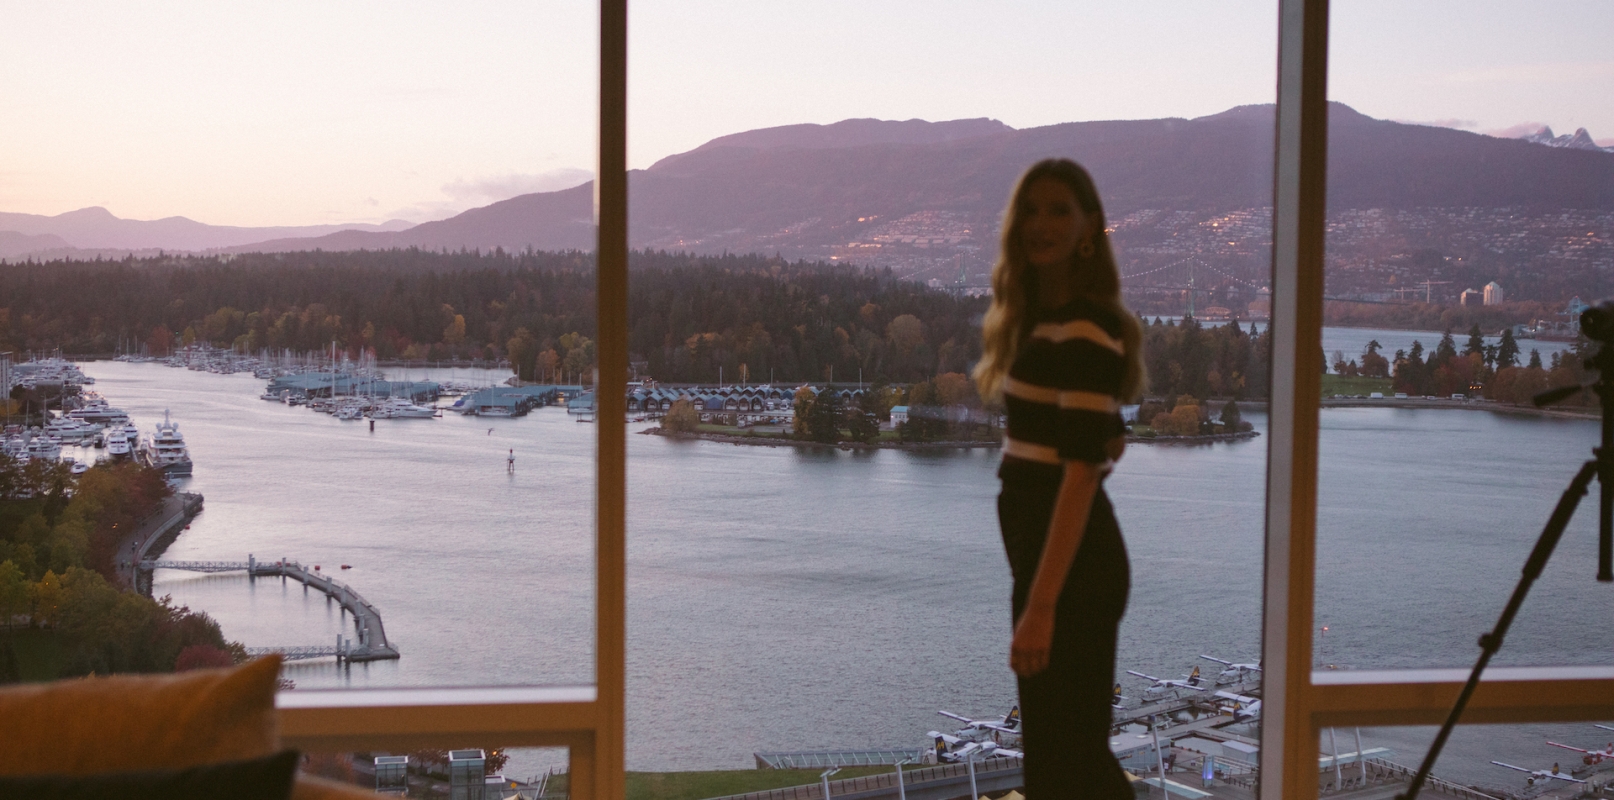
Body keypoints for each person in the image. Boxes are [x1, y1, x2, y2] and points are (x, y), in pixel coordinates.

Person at [972, 158, 1145, 797]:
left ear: (1089, 227)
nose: (1041, 223)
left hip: (1068, 573)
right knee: (1061, 763)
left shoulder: (1082, 327)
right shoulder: (1046, 320)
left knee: (1067, 767)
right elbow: (1106, 439)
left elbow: (1079, 475)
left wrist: (1041, 608)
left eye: (1059, 210)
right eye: (1031, 209)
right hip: (1049, 562)